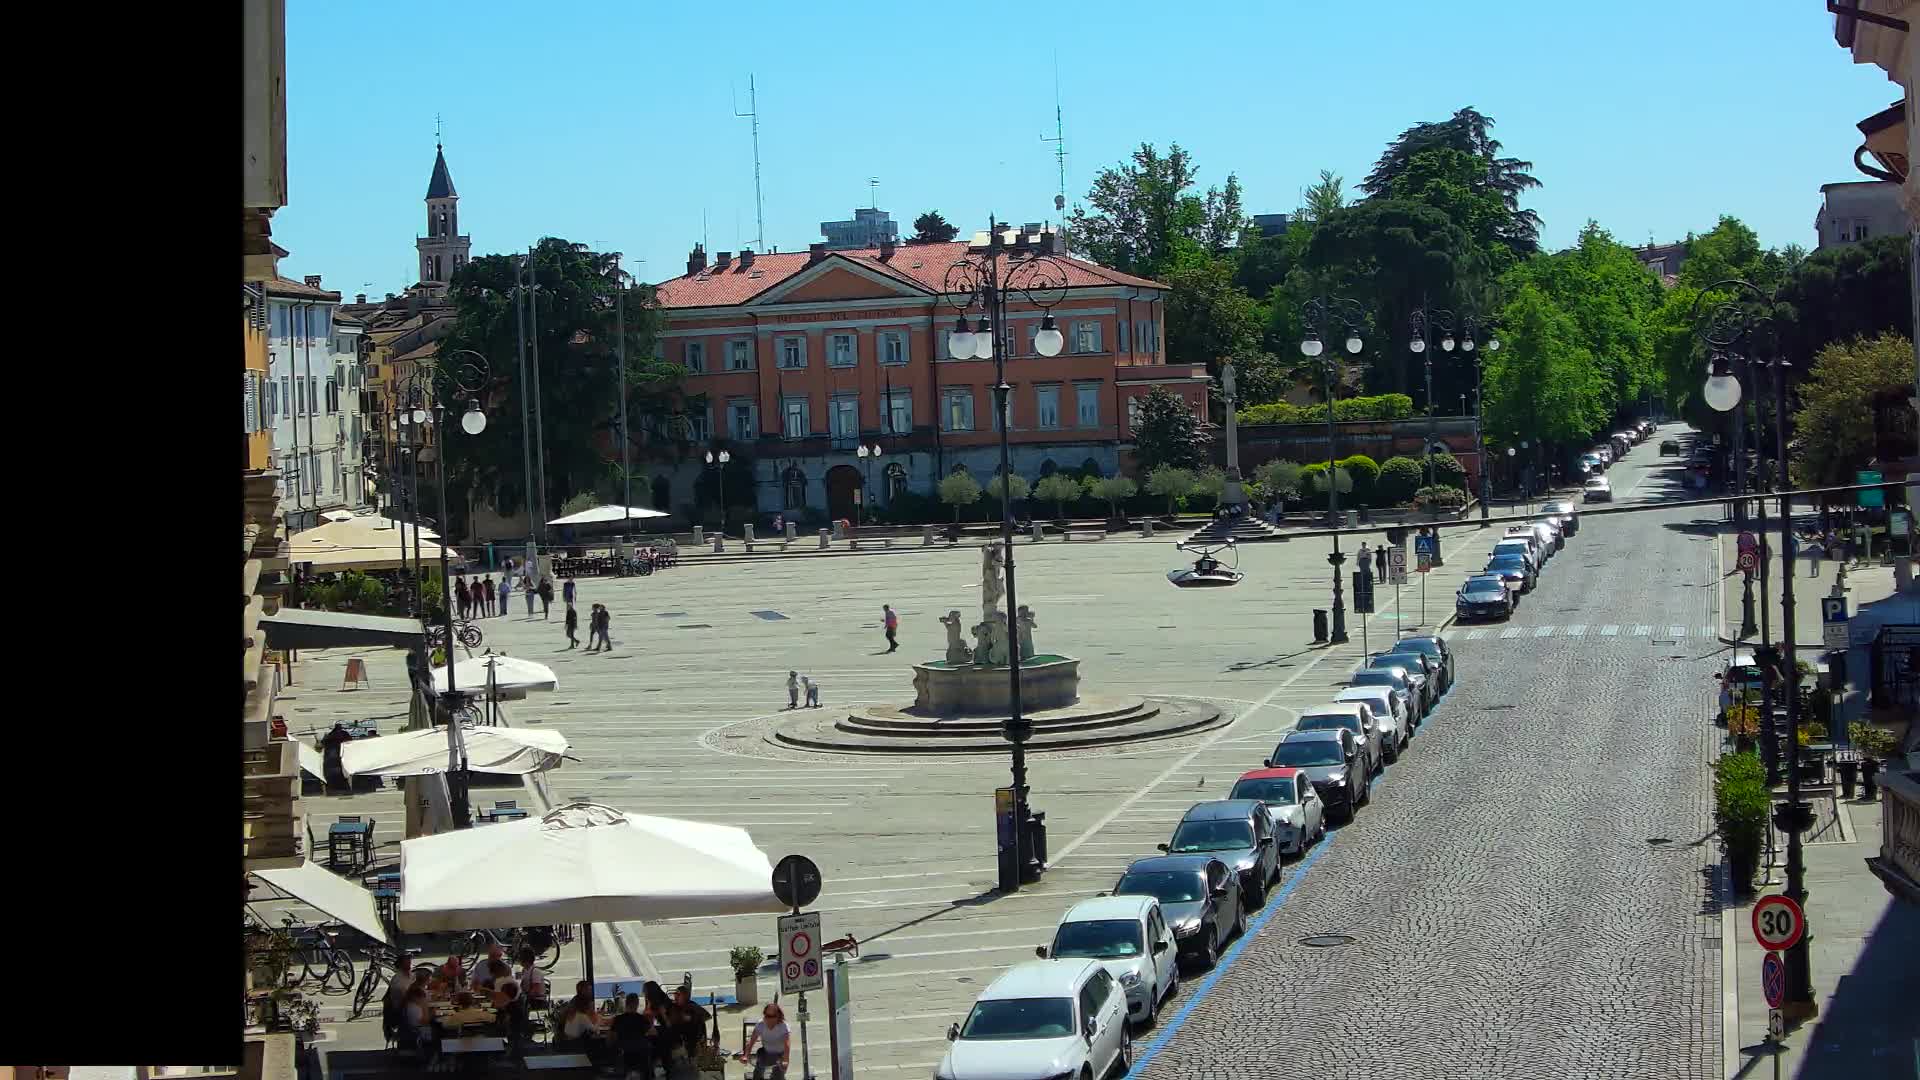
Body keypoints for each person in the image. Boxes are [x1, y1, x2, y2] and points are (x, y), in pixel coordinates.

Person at [609, 993, 657, 1079]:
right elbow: (654, 1033)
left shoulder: (618, 1019)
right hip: (641, 1053)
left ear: (626, 1003)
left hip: (624, 1052)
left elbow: (610, 1038)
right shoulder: (642, 1019)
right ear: (637, 1004)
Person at [741, 1003, 791, 1080]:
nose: (769, 1019)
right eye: (767, 1016)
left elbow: (787, 1045)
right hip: (766, 1053)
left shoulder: (783, 1026)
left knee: (779, 1076)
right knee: (759, 1064)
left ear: (778, 1016)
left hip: (780, 1055)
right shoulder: (760, 1024)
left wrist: (786, 1060)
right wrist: (746, 1055)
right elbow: (751, 1041)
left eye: (772, 1017)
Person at [667, 987, 710, 1062]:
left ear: (685, 996)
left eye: (678, 994)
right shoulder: (675, 1006)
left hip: (690, 1036)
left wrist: (692, 1018)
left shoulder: (691, 1006)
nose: (675, 996)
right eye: (675, 994)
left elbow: (707, 1016)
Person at [319, 722, 353, 791]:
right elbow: (351, 743)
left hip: (332, 759)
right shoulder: (344, 734)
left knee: (336, 774)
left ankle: (335, 786)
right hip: (339, 757)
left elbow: (321, 744)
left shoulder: (330, 735)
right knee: (341, 773)